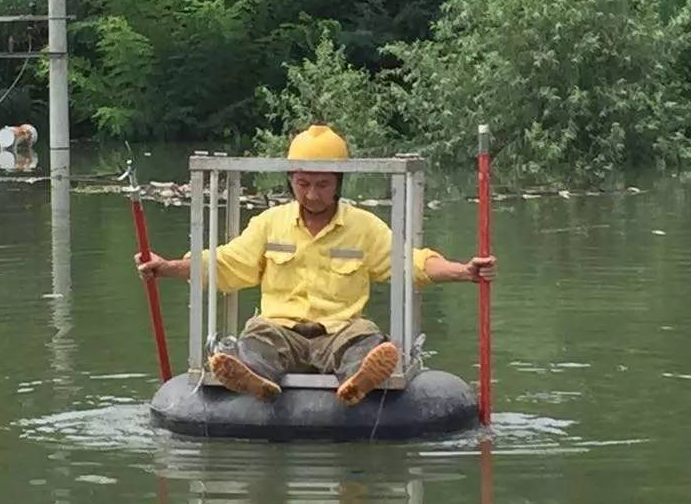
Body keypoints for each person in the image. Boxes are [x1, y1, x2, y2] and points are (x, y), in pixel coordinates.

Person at [135, 124, 496, 405]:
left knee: (365, 343)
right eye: (303, 183)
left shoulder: (363, 225)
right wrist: (167, 266)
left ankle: (359, 381)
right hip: (279, 329)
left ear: (338, 183)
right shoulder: (269, 222)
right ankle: (253, 378)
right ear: (291, 180)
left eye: (322, 185)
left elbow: (410, 264)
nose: (311, 194)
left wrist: (464, 271)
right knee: (256, 342)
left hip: (341, 330)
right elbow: (227, 264)